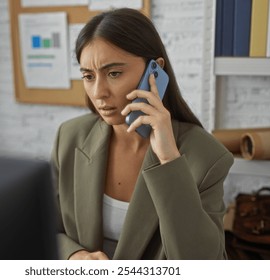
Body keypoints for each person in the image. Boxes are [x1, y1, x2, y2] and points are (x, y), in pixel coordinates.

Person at [51, 8, 233, 260]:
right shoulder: (70, 137)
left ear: (155, 71)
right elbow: (46, 227)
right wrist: (75, 256)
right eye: (88, 76)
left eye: (114, 73)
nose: (98, 92)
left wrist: (170, 160)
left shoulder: (207, 157)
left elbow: (201, 261)